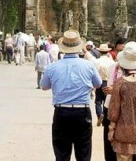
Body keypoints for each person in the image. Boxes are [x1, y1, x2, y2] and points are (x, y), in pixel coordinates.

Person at [40, 30, 102, 161]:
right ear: (79, 47)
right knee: (83, 152)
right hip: (82, 112)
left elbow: (44, 86)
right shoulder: (89, 66)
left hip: (61, 112)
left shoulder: (53, 67)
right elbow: (98, 84)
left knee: (62, 153)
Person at [102, 37, 128, 161]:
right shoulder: (112, 67)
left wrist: (115, 90)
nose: (120, 54)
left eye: (123, 51)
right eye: (118, 51)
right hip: (110, 106)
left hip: (127, 110)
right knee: (109, 142)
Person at [95, 43, 113, 127]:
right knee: (107, 101)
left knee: (98, 100)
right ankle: (105, 117)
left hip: (100, 81)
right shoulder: (111, 61)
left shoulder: (97, 61)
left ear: (99, 52)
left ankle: (99, 115)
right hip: (108, 82)